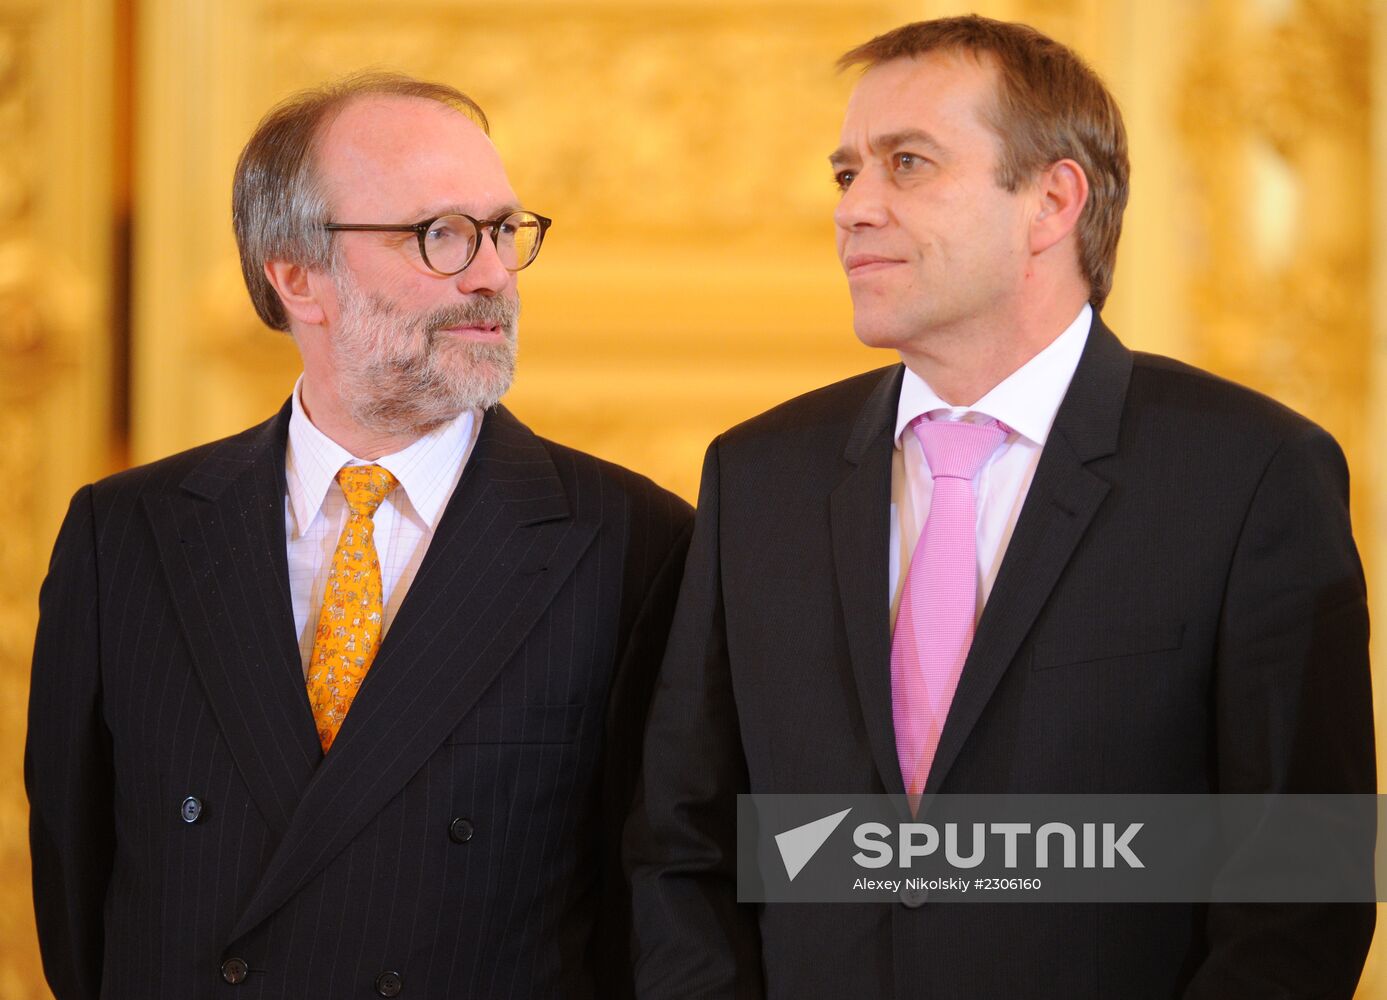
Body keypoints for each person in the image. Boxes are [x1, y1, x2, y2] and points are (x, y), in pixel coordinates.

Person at [626, 15, 1374, 999]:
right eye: (846, 173)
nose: (855, 208)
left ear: (1052, 200)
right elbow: (684, 846)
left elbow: (1301, 886)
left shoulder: (1253, 474)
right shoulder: (757, 476)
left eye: (907, 163)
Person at [27, 72, 692, 999]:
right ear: (298, 276)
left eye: (503, 231)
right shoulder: (124, 535)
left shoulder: (637, 542)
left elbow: (666, 904)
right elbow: (73, 881)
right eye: (440, 235)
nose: (492, 273)